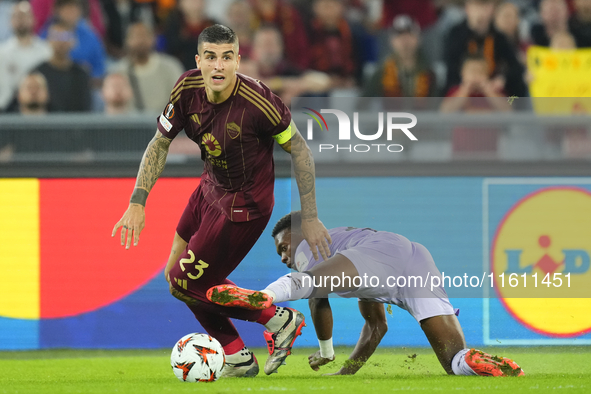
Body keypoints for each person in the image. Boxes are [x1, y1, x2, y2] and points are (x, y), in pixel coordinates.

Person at [111, 24, 332, 378]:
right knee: (177, 278)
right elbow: (159, 143)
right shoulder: (186, 88)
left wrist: (311, 216)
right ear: (199, 61)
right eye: (211, 57)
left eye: (227, 58)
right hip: (209, 189)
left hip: (245, 205)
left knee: (185, 283)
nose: (219, 66)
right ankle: (238, 356)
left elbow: (301, 151)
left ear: (238, 61)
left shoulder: (260, 102)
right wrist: (138, 201)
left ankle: (277, 318)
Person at [207, 211, 526, 377]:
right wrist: (349, 369)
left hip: (378, 255)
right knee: (453, 361)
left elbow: (318, 297)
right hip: (414, 259)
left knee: (307, 282)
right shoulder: (347, 245)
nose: (283, 255)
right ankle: (471, 359)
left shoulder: (311, 243)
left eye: (283, 247)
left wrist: (327, 351)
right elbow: (377, 326)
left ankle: (264, 296)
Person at [443, 0, 527, 98]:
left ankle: (513, 108)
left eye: (485, 6)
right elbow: (451, 69)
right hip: (463, 88)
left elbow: (515, 67)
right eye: (476, 6)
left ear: (492, 9)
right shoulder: (456, 34)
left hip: (491, 89)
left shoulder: (498, 37)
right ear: (467, 8)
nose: (480, 11)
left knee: (517, 89)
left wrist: (502, 80)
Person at [109, 22, 185, 113]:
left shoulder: (171, 68)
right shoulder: (117, 71)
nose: (140, 41)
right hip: (128, 124)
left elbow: (182, 101)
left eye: (144, 35)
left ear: (153, 39)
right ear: (127, 41)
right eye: (135, 36)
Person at [363, 15, 436, 98]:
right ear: (391, 41)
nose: (405, 40)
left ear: (418, 39)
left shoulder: (429, 73)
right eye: (399, 35)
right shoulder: (381, 72)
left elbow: (437, 107)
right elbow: (362, 104)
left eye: (409, 34)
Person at [0, 1, 51, 112]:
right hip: (6, 109)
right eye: (16, 16)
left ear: (33, 19)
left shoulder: (46, 50)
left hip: (39, 108)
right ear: (10, 21)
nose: (20, 20)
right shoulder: (2, 52)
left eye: (24, 16)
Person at [34, 21, 92, 112]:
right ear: (48, 40)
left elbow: (86, 108)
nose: (60, 41)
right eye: (56, 36)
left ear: (73, 41)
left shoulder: (81, 74)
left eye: (65, 36)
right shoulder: (38, 73)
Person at [162, 0, 217, 70]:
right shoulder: (173, 26)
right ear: (180, 4)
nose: (195, 3)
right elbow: (171, 48)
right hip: (180, 69)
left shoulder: (213, 24)